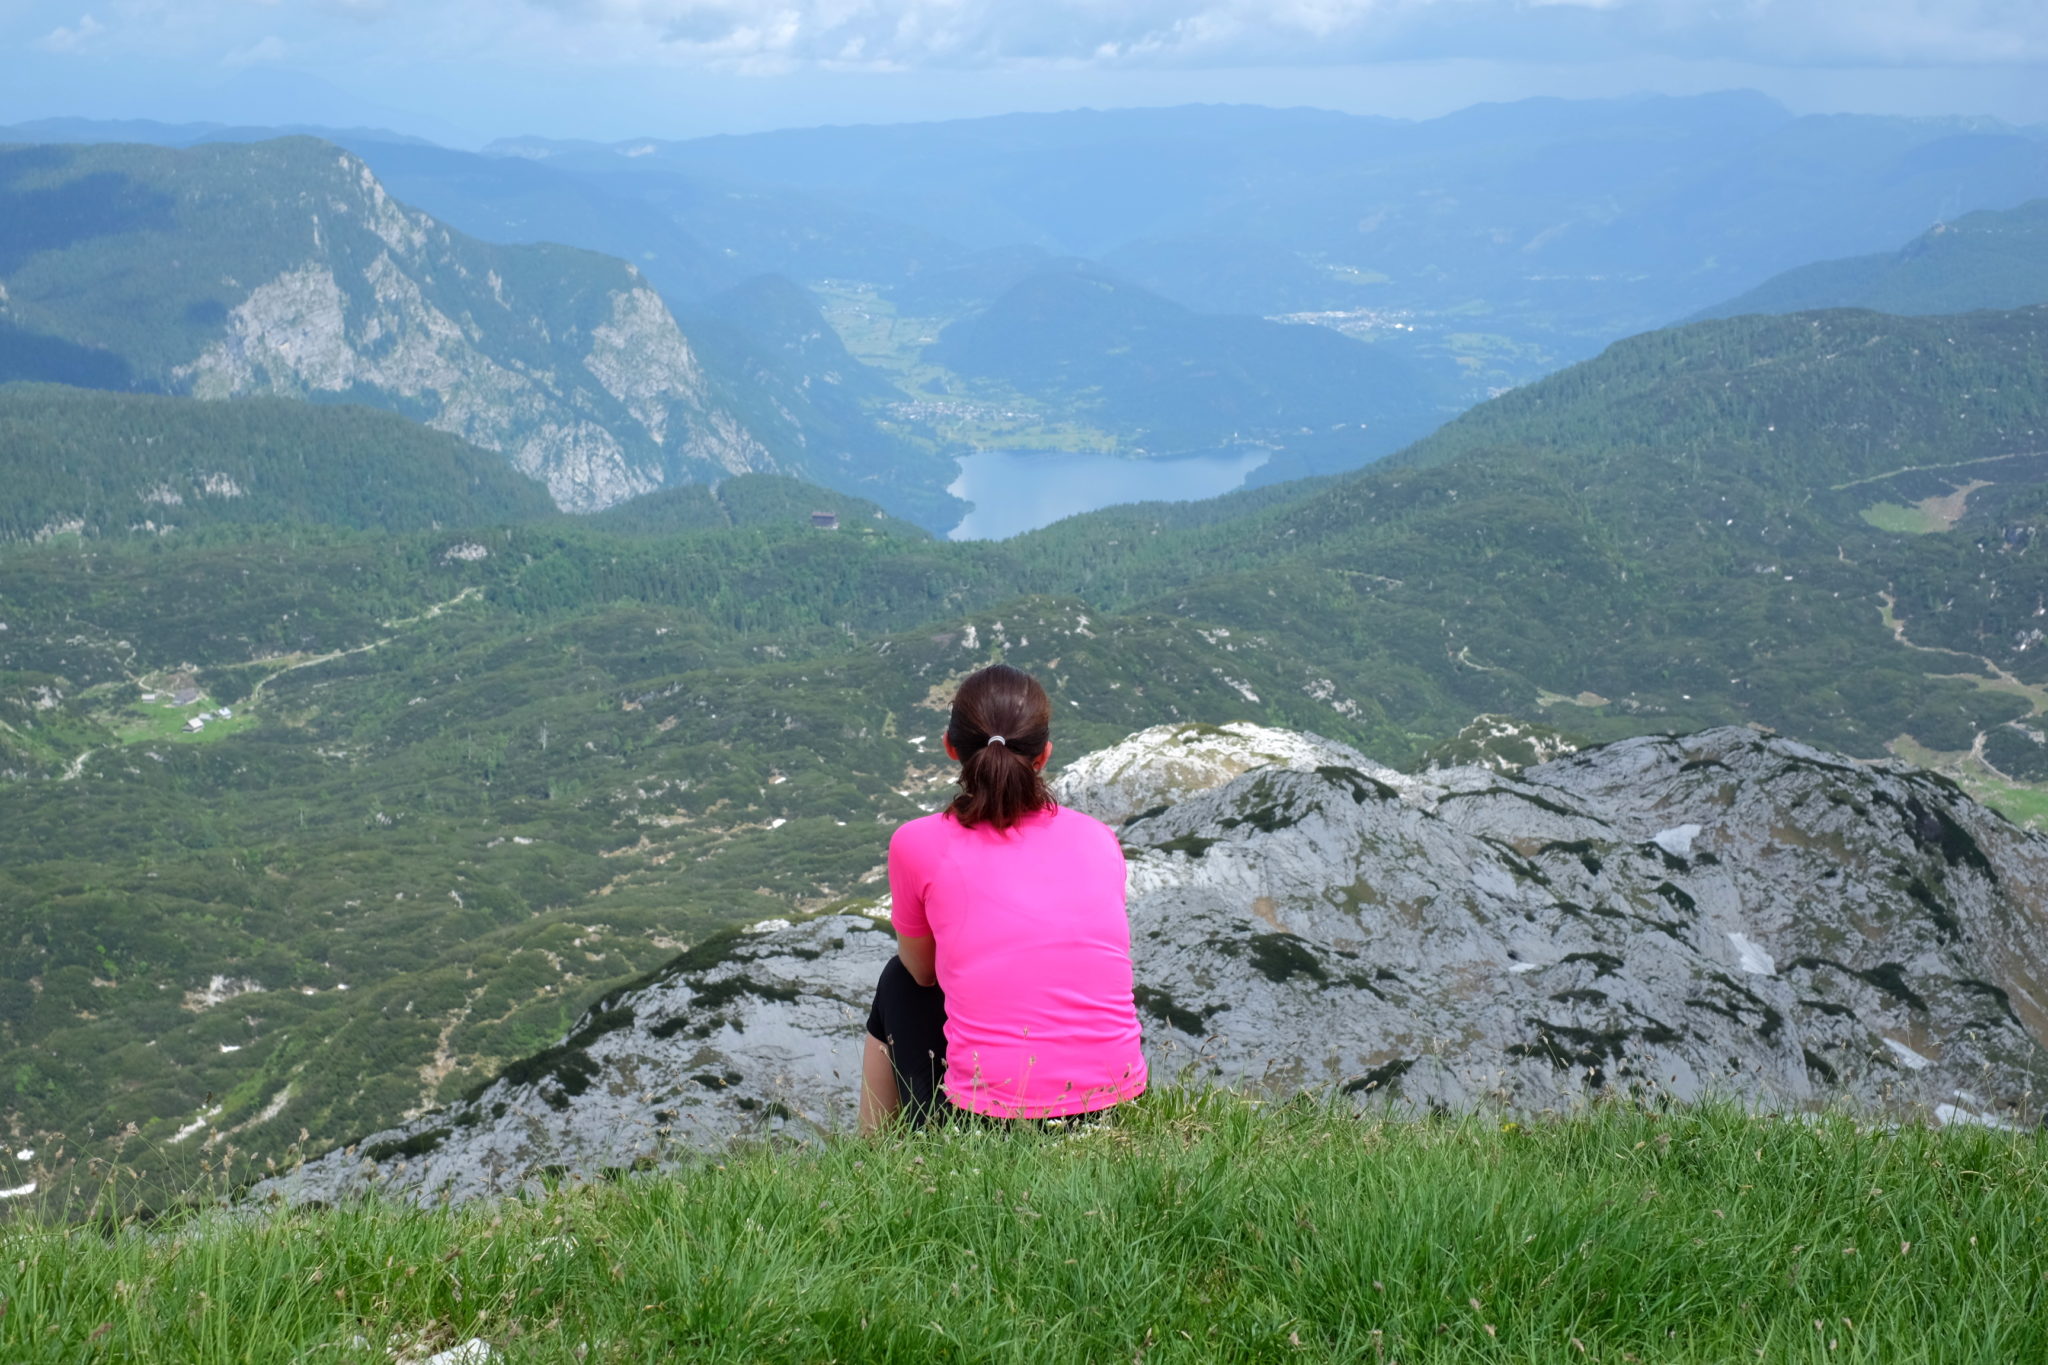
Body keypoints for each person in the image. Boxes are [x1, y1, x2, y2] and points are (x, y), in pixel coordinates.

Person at [858, 663, 1146, 1131]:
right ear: (1044, 754)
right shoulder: (1098, 837)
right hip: (1114, 1104)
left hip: (988, 1120)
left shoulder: (916, 843)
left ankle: (873, 1158)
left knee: (899, 980)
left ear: (951, 747)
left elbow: (921, 972)